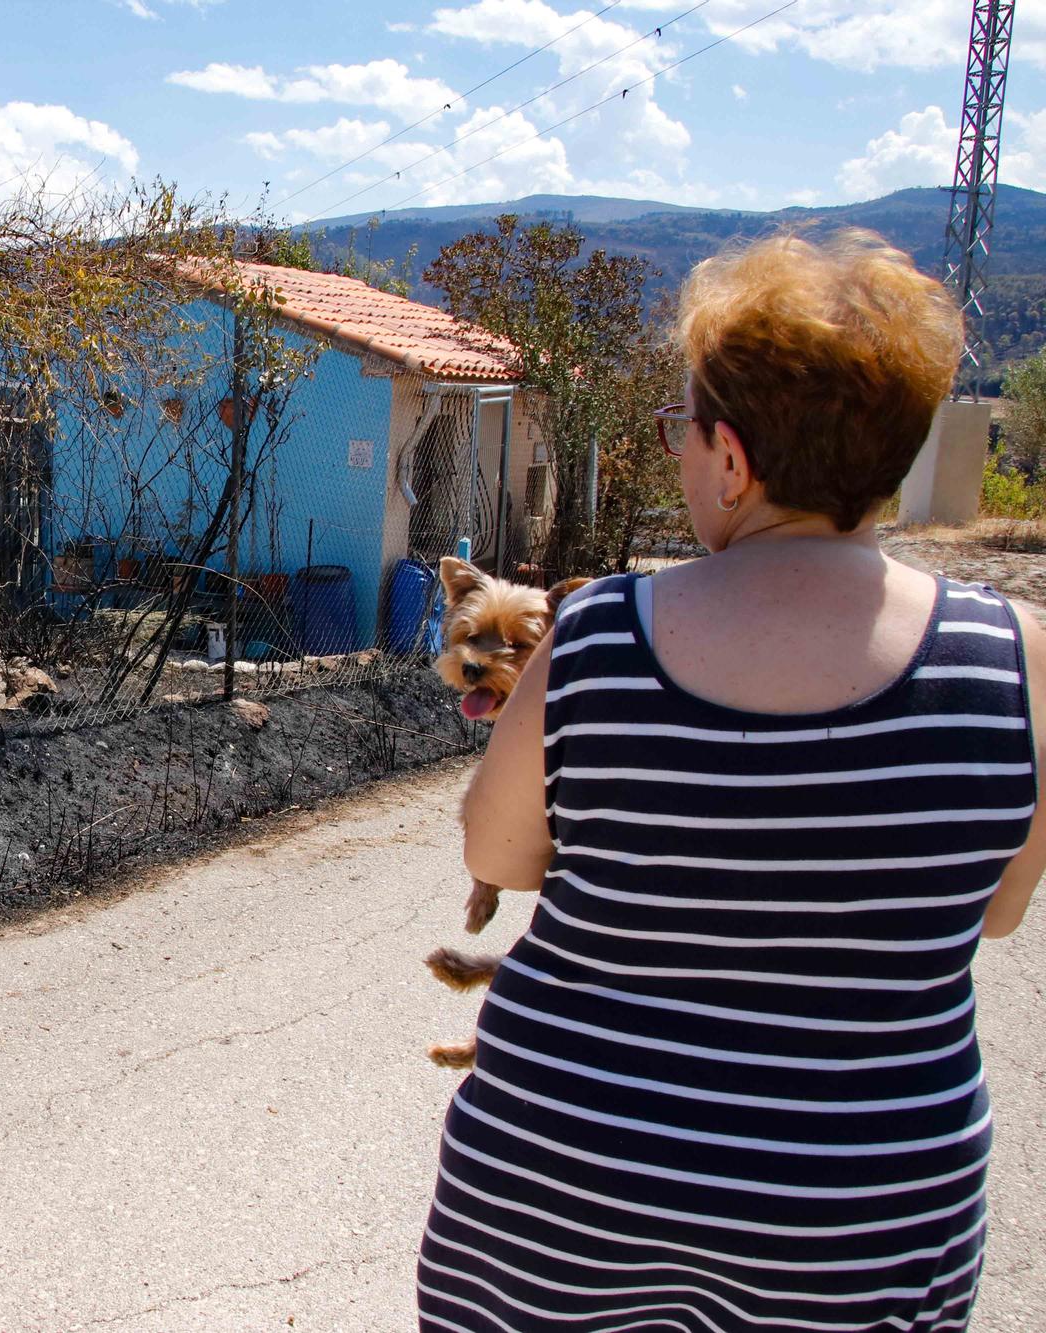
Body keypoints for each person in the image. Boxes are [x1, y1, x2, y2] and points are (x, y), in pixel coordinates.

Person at [417, 229, 1044, 1332]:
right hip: (861, 1212)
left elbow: (494, 855)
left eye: (680, 431)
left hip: (563, 1182)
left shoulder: (602, 631)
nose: (677, 454)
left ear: (732, 460)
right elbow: (990, 911)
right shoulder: (1023, 657)